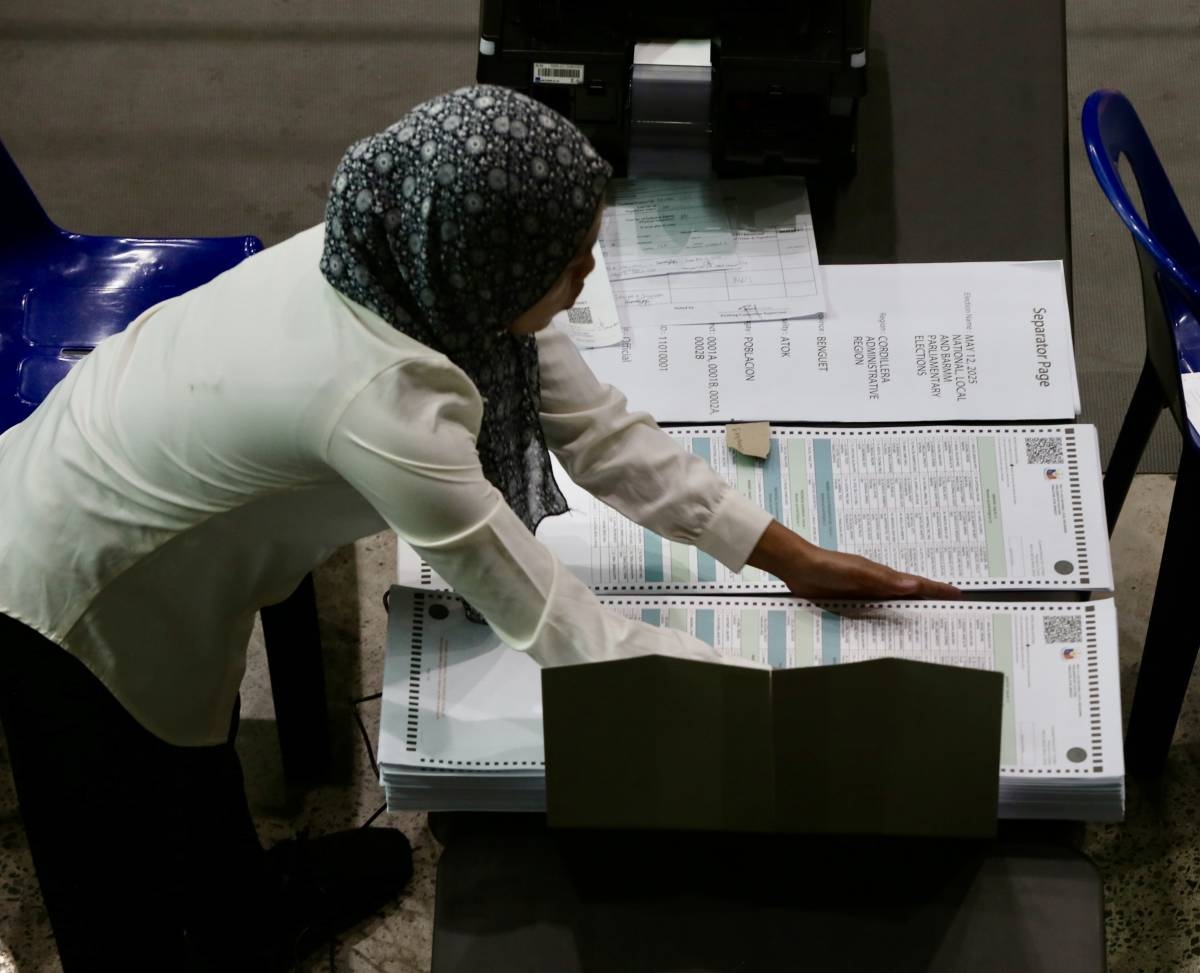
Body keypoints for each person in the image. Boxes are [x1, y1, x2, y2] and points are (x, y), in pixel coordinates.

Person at [0, 85, 958, 970]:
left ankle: (244, 907)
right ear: (498, 265)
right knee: (123, 832)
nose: (586, 279)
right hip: (63, 577)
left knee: (191, 772)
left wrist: (791, 557)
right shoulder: (385, 408)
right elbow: (561, 627)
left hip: (141, 515)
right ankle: (201, 935)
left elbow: (600, 433)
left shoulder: (416, 262)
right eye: (570, 262)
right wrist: (800, 706)